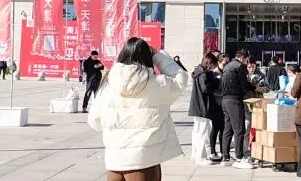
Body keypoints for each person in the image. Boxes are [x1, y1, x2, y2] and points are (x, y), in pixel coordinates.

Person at [88, 37, 190, 181]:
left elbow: (94, 121)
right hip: (144, 159)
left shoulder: (108, 84)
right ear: (148, 57)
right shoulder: (157, 84)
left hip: (115, 161)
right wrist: (158, 55)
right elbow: (181, 79)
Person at [220, 49, 260, 168]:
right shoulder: (240, 66)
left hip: (225, 99)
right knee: (239, 129)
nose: (247, 63)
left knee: (228, 129)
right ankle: (239, 158)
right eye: (247, 60)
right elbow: (244, 85)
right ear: (242, 57)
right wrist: (253, 87)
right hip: (235, 100)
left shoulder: (228, 66)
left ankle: (226, 157)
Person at [189, 53, 221, 166]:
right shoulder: (204, 74)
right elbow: (206, 88)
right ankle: (201, 157)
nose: (213, 67)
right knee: (202, 132)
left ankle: (195, 155)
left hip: (197, 106)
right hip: (202, 106)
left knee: (197, 132)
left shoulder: (198, 72)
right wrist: (216, 82)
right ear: (209, 63)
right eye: (212, 65)